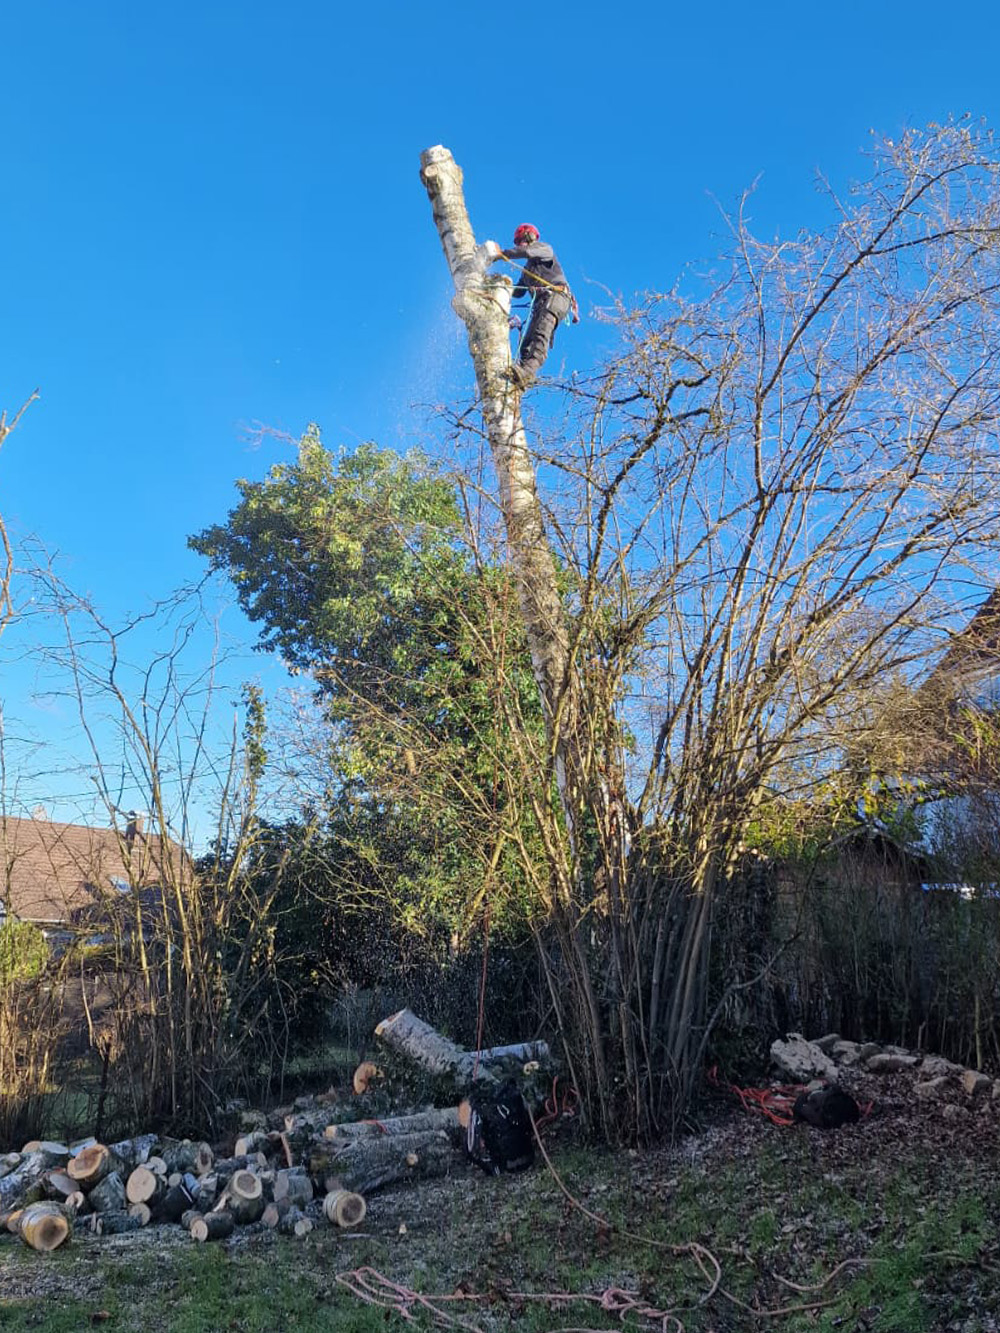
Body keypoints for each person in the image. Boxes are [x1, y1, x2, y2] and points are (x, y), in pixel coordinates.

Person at [490, 224, 575, 388]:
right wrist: (499, 286)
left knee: (540, 334)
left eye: (520, 241)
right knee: (526, 345)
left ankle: (527, 373)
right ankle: (519, 375)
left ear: (529, 237)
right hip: (542, 303)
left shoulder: (544, 249)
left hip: (556, 297)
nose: (518, 245)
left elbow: (525, 252)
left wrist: (501, 254)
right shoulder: (527, 269)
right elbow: (518, 292)